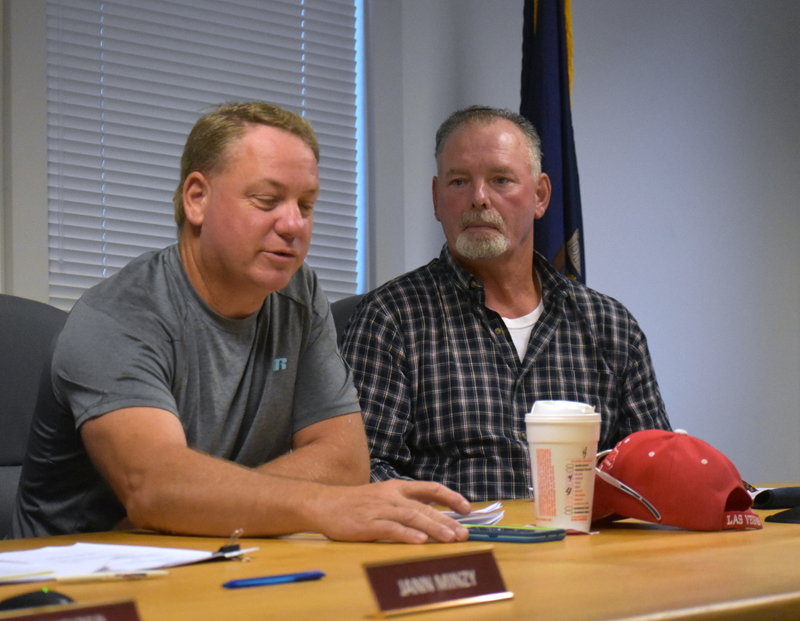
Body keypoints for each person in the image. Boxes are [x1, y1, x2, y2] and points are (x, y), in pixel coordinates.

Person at [10, 101, 470, 544]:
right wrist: (315, 505)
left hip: (218, 557)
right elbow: (154, 486)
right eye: (267, 200)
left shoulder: (297, 294)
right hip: (75, 587)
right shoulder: (117, 317)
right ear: (197, 199)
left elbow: (345, 461)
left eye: (306, 205)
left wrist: (203, 506)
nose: (294, 224)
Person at [341, 105, 672, 501]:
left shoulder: (610, 327)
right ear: (435, 198)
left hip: (583, 554)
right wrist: (450, 515)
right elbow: (361, 470)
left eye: (501, 179)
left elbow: (654, 471)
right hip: (457, 551)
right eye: (459, 181)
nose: (479, 198)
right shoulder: (391, 318)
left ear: (540, 196)